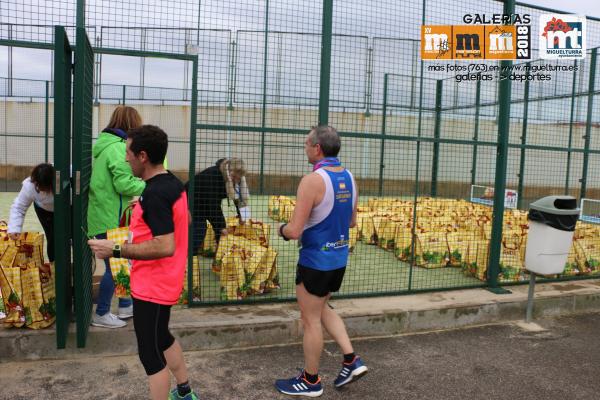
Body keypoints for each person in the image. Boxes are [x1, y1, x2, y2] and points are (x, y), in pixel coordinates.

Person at [88, 125, 198, 400]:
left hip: (154, 285)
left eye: (128, 153)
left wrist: (114, 249)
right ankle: (184, 391)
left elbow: (165, 244)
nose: (125, 158)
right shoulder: (171, 183)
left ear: (143, 156)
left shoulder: (156, 194)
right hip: (164, 280)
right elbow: (185, 221)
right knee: (162, 337)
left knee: (150, 354)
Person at [275, 125, 368, 397]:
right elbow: (351, 222)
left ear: (317, 148)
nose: (305, 148)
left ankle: (311, 381)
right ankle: (351, 359)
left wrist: (280, 229)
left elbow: (294, 231)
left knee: (310, 319)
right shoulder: (350, 177)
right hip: (338, 258)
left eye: (306, 144)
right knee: (322, 308)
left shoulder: (312, 181)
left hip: (315, 260)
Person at [88, 106, 146, 328]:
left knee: (121, 265)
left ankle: (125, 306)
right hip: (110, 218)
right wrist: (151, 184)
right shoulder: (117, 149)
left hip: (105, 216)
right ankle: (102, 313)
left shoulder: (106, 146)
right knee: (116, 268)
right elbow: (123, 184)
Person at [185, 157, 250, 254]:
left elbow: (240, 198)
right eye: (235, 177)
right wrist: (221, 227)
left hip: (206, 201)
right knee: (199, 230)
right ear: (230, 172)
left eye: (239, 178)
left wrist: (243, 216)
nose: (237, 180)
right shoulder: (214, 176)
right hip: (191, 200)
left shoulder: (237, 179)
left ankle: (220, 256)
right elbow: (213, 205)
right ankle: (188, 257)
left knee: (218, 231)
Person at [8, 163, 55, 262]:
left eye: (45, 187)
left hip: (67, 208)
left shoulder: (63, 177)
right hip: (44, 211)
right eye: (39, 186)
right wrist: (14, 228)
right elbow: (19, 207)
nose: (42, 189)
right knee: (52, 237)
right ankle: (54, 265)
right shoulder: (29, 186)